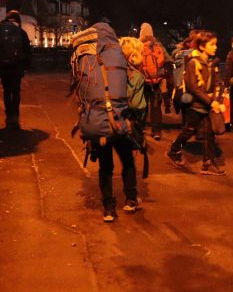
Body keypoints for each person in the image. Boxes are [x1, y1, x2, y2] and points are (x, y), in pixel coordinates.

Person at [72, 20, 139, 223]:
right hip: (119, 118)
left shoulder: (84, 54)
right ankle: (131, 199)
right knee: (127, 160)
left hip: (97, 118)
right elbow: (130, 88)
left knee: (105, 166)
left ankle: (109, 208)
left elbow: (79, 91)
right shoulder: (118, 52)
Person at [166, 30, 226, 175]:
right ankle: (174, 150)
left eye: (215, 44)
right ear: (202, 46)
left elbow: (217, 83)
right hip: (195, 105)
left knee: (209, 134)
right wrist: (211, 102)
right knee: (189, 130)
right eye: (212, 44)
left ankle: (208, 162)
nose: (215, 47)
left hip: (206, 104)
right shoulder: (193, 63)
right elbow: (192, 87)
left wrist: (217, 99)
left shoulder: (211, 63)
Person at [0, 10, 31, 129]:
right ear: (18, 20)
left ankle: (8, 113)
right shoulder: (21, 32)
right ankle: (15, 114)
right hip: (17, 66)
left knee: (6, 90)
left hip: (3, 66)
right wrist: (26, 66)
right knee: (16, 90)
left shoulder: (0, 31)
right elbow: (27, 50)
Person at [138, 22, 169, 140]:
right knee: (156, 106)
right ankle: (156, 131)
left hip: (142, 81)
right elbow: (169, 60)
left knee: (143, 106)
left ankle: (140, 128)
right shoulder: (158, 45)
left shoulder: (138, 45)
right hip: (156, 82)